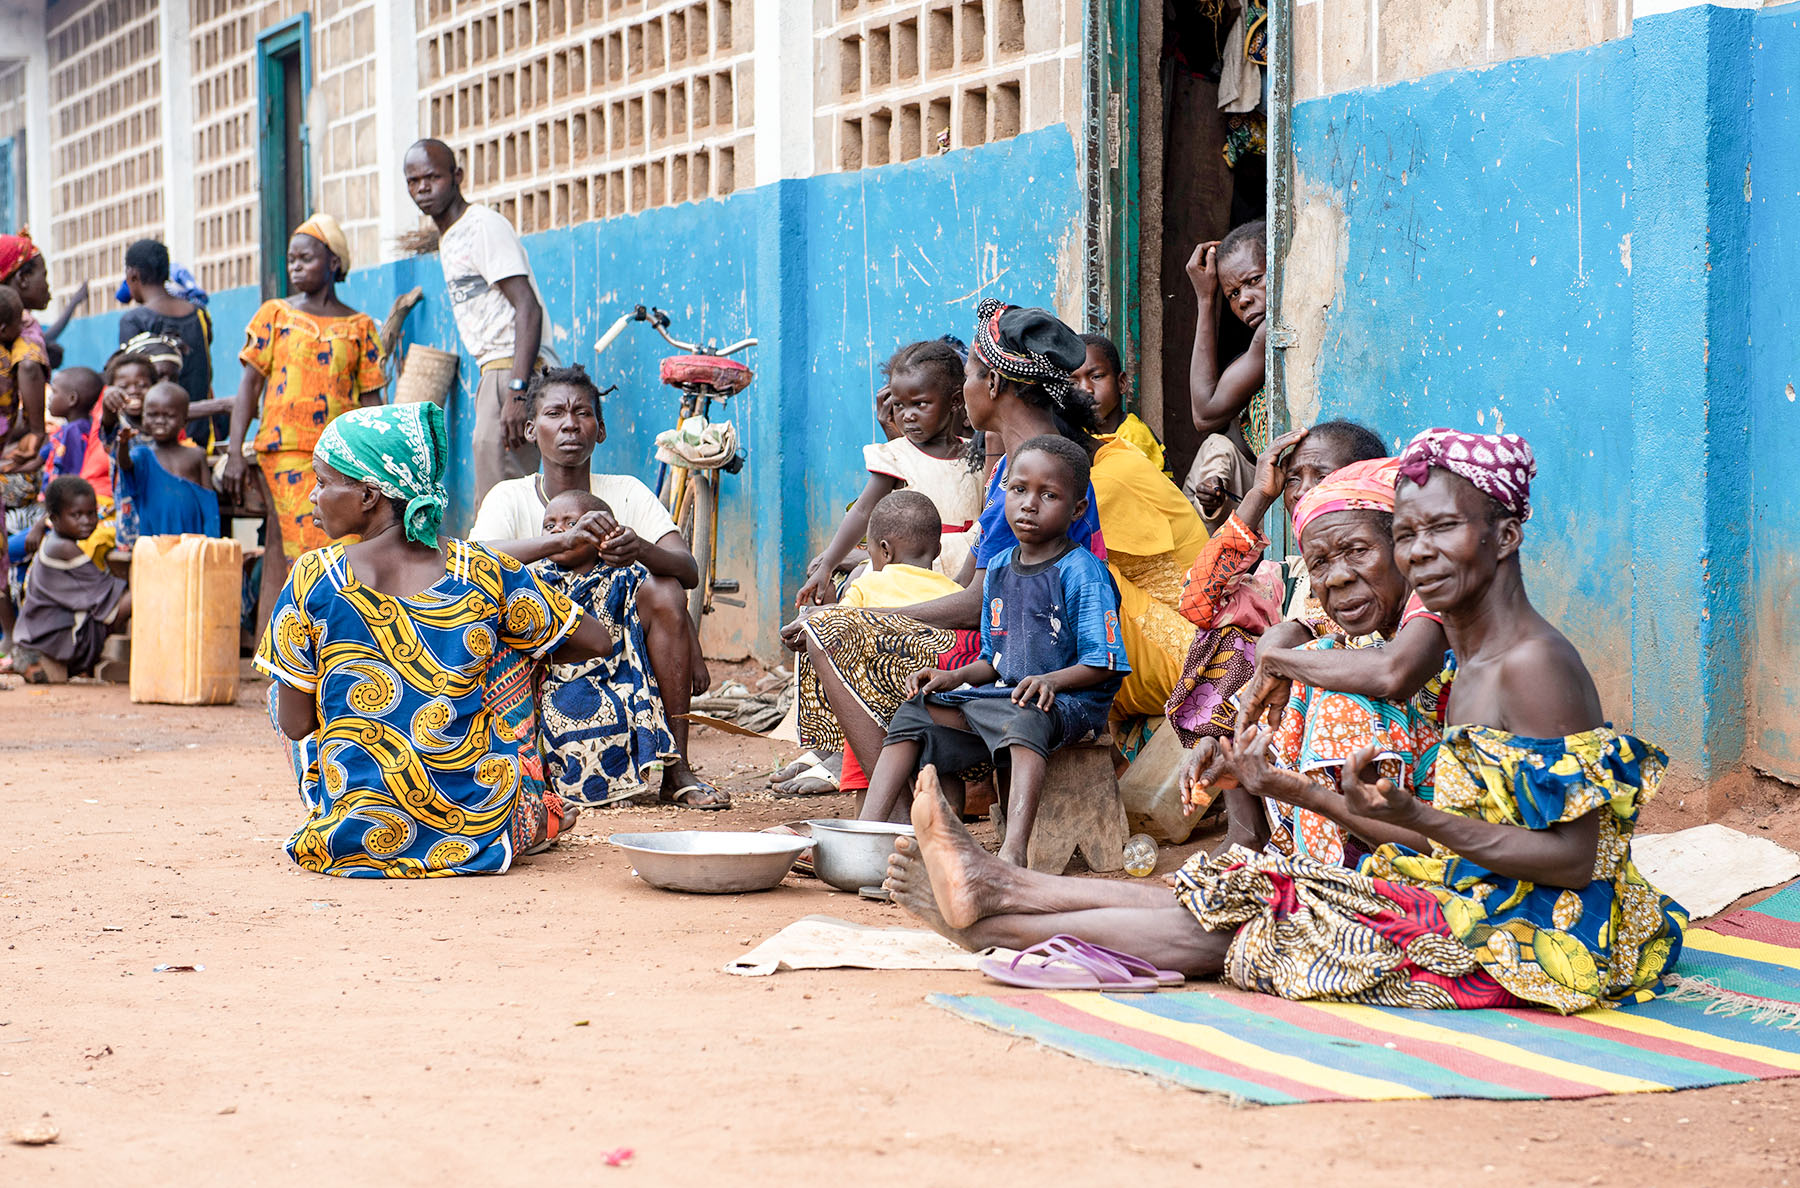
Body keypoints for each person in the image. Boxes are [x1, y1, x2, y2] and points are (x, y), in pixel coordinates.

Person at [886, 428, 1688, 1015]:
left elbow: (1572, 864)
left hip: (1530, 939)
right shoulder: (1474, 659)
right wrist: (1290, 790)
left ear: (1506, 536)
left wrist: (1410, 813)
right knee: (1247, 880)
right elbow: (1430, 839)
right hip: (1462, 893)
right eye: (1409, 536)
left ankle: (995, 917)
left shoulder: (1531, 665)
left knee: (1273, 917)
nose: (1422, 554)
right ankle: (998, 892)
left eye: (1443, 529)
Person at [257, 402, 616, 878]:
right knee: (509, 644)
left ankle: (349, 804)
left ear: (368, 496)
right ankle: (532, 812)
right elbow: (596, 641)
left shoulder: (312, 579)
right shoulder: (481, 571)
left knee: (283, 681)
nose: (312, 497)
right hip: (477, 834)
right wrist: (506, 656)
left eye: (323, 483)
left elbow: (297, 724)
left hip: (352, 841)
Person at [470, 365, 726, 810]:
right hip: (539, 641)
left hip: (617, 642)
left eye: (582, 413)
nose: (570, 423)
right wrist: (562, 541)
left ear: (600, 429)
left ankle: (677, 769)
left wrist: (639, 547)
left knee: (665, 590)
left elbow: (686, 570)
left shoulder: (625, 492)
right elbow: (476, 565)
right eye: (555, 413)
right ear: (531, 429)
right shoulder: (507, 497)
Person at [864, 437, 1127, 866]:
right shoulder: (1000, 567)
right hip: (1002, 697)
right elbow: (994, 660)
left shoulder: (1083, 572)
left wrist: (1050, 681)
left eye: (1049, 495)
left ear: (1077, 510)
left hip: (1067, 704)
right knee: (915, 712)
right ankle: (869, 838)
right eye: (1018, 489)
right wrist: (953, 677)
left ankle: (1013, 854)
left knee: (1027, 717)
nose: (1028, 504)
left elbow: (1103, 662)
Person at [1202, 456, 1445, 867]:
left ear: (1403, 548)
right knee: (1315, 662)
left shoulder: (1435, 597)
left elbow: (1392, 673)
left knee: (1336, 678)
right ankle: (1295, 842)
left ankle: (1349, 858)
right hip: (1416, 802)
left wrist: (1278, 664)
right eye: (1320, 563)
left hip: (1460, 813)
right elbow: (1214, 605)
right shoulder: (1365, 619)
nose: (1336, 577)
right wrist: (1231, 751)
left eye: (1357, 551)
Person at [221, 214, 386, 618]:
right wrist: (236, 452)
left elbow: (372, 398)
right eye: (291, 259)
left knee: (348, 544)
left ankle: (340, 635)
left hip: (345, 455)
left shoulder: (360, 326)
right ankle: (311, 641)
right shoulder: (274, 315)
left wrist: (383, 457)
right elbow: (248, 388)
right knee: (311, 546)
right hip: (287, 452)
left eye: (306, 258)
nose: (294, 266)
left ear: (333, 263)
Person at [403, 138, 553, 506]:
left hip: (511, 372)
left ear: (457, 177)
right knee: (502, 502)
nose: (423, 187)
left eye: (433, 177)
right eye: (413, 180)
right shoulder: (451, 236)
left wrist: (518, 391)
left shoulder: (481, 226)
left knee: (504, 503)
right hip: (495, 373)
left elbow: (527, 307)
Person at [532, 488, 684, 807]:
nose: (560, 531)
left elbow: (672, 602)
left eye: (571, 523)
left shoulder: (624, 576)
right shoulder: (535, 579)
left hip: (613, 673)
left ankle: (617, 786)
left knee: (626, 700)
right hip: (554, 680)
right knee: (564, 708)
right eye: (550, 526)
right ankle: (571, 787)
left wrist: (694, 656)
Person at [797, 338, 981, 601]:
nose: (907, 415)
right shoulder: (896, 457)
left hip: (965, 566)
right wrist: (827, 564)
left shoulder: (976, 454)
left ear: (954, 401)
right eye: (899, 405)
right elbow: (862, 511)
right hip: (904, 574)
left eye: (920, 404)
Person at [1183, 220, 1267, 532]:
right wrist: (1207, 297)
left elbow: (1205, 412)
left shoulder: (1268, 334)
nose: (1243, 299)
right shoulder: (1260, 342)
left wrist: (1206, 300)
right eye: (1231, 294)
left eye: (1254, 280)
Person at [13, 476, 131, 684]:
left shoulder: (56, 541)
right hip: (52, 637)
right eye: (76, 515)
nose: (86, 521)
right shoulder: (63, 548)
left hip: (37, 633)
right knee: (134, 597)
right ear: (55, 519)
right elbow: (106, 592)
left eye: (91, 513)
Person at [117, 240, 215, 439]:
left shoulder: (133, 320)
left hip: (158, 437)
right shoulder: (200, 314)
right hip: (200, 430)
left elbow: (130, 379)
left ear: (131, 275)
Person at [115, 382, 221, 539]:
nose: (160, 421)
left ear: (184, 421)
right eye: (152, 415)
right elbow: (125, 464)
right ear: (143, 418)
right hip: (156, 538)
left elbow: (208, 502)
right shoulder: (142, 455)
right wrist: (123, 445)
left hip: (193, 537)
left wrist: (212, 540)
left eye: (169, 415)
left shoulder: (196, 455)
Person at [1075, 333, 1165, 473]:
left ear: (1122, 383)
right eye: (1072, 383)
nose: (1086, 389)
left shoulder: (1134, 439)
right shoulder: (1078, 431)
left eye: (1096, 377)